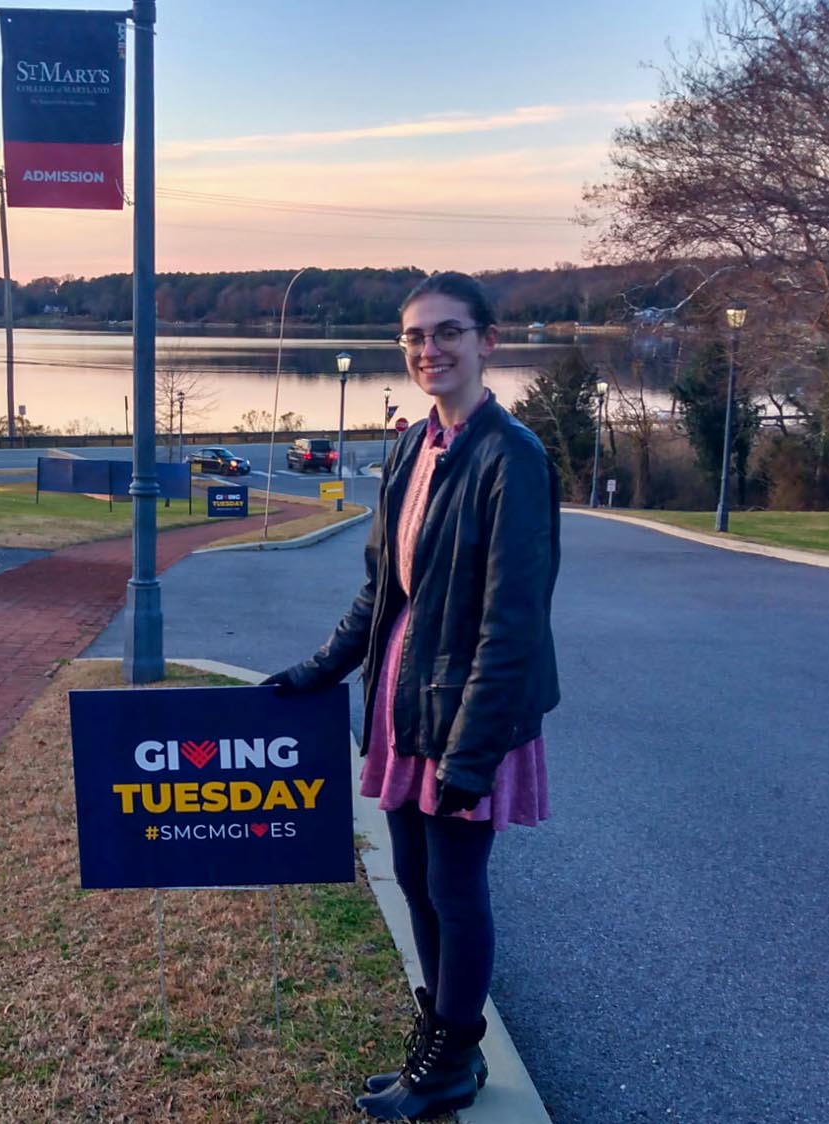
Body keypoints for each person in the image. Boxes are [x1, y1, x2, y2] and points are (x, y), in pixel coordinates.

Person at [263, 271, 560, 1120]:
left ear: (486, 341)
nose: (429, 350)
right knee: (413, 876)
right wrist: (319, 668)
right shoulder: (411, 446)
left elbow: (513, 625)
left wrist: (472, 754)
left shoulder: (512, 458)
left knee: (455, 888)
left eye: (447, 333)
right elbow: (381, 591)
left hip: (466, 706)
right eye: (414, 337)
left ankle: (449, 1062)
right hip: (402, 695)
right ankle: (439, 1044)